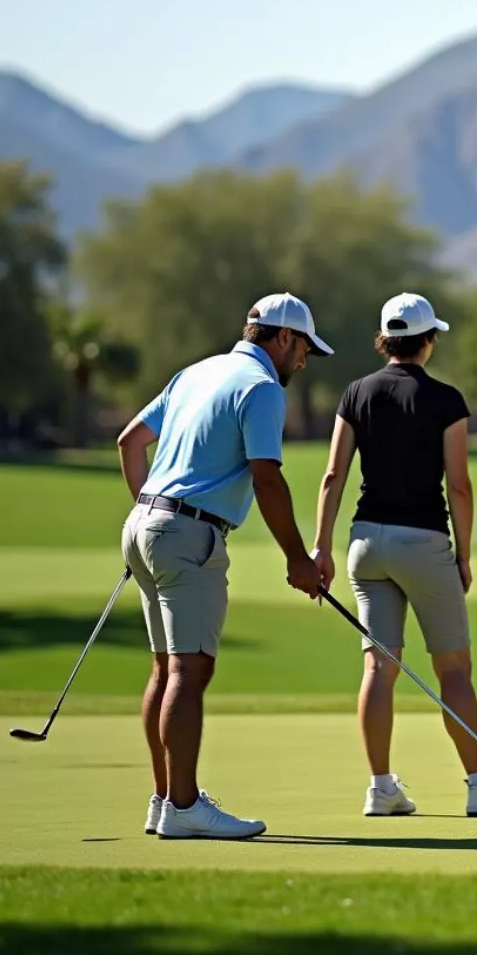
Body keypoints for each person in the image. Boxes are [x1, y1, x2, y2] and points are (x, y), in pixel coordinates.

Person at [312, 293, 477, 817]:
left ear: (386, 340)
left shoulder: (355, 393)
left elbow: (333, 475)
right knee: (454, 669)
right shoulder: (446, 400)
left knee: (379, 667)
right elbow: (459, 485)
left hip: (365, 544)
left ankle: (381, 788)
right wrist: (464, 555)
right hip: (424, 542)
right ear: (428, 340)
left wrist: (320, 546)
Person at [117, 293, 330, 840]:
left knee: (165, 670)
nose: (304, 361)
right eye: (304, 347)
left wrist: (151, 511)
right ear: (283, 337)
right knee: (190, 671)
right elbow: (266, 478)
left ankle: (165, 800)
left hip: (145, 523)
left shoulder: (196, 372)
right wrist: (298, 560)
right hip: (188, 534)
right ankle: (184, 807)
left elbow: (131, 442)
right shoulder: (260, 388)